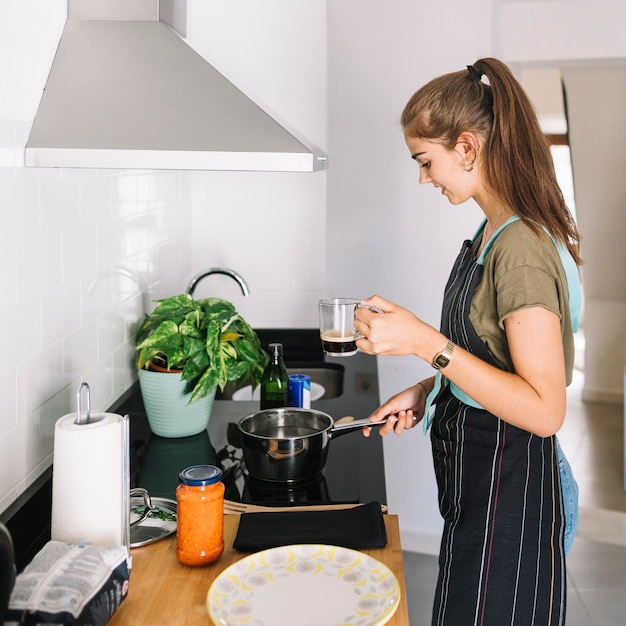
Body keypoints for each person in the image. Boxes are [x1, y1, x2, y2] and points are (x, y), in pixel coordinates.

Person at [354, 57, 581, 626]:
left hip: (511, 495)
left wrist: (421, 340)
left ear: (468, 146)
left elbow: (545, 408)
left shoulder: (520, 246)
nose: (424, 178)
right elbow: (493, 362)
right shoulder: (491, 232)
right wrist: (427, 390)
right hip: (481, 488)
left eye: (426, 162)